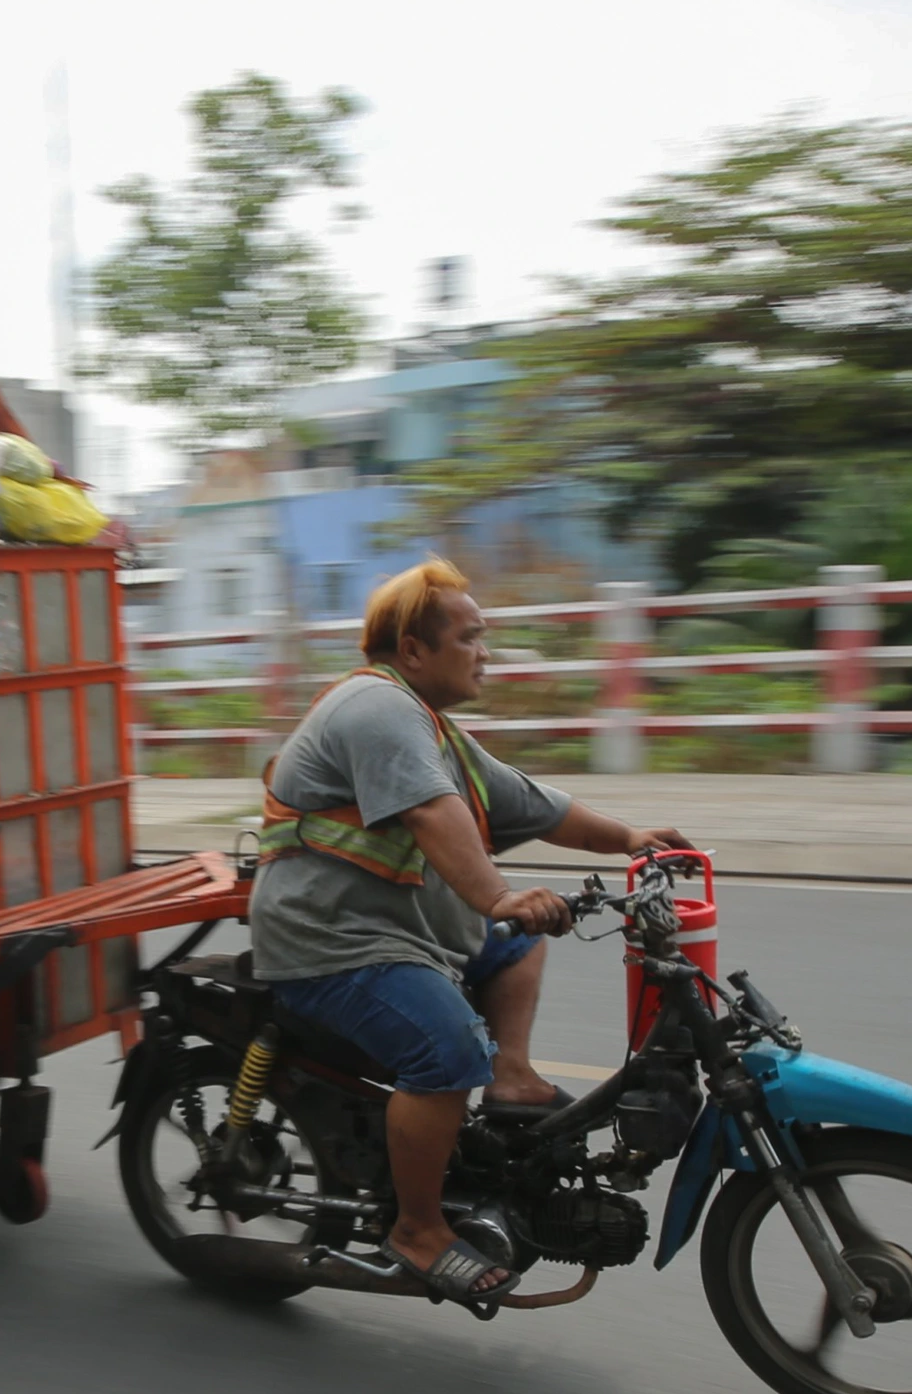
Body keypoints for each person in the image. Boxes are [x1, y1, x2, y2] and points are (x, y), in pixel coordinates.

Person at [249, 558, 692, 1305]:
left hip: (395, 929)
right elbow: (434, 813)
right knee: (447, 1050)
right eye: (471, 636)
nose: (484, 651)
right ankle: (417, 1229)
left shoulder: (431, 728)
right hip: (332, 943)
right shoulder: (375, 709)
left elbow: (529, 802)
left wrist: (631, 839)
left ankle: (512, 1075)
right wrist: (498, 895)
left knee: (517, 945)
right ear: (415, 651)